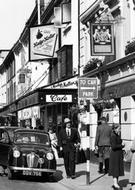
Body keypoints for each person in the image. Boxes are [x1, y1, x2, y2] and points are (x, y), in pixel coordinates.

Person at [109, 124, 125, 189]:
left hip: (118, 154)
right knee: (115, 169)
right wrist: (122, 145)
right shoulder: (113, 136)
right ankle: (115, 184)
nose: (120, 130)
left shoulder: (117, 135)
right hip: (115, 155)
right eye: (119, 128)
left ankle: (115, 183)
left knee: (117, 169)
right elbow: (113, 146)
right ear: (115, 129)